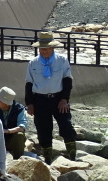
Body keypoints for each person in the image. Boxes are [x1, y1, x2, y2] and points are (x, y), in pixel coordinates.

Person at [25, 31, 77, 164]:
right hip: (40, 99)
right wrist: (29, 103)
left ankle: (72, 154)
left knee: (66, 125)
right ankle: (47, 156)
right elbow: (29, 84)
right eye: (41, 48)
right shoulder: (33, 63)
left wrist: (65, 99)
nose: (44, 51)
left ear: (52, 47)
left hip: (59, 98)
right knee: (43, 128)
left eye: (46, 48)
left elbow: (68, 80)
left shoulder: (62, 60)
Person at [0, 87, 27, 160]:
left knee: (20, 135)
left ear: (5, 103)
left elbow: (22, 127)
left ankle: (17, 160)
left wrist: (7, 131)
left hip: (11, 140)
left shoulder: (19, 109)